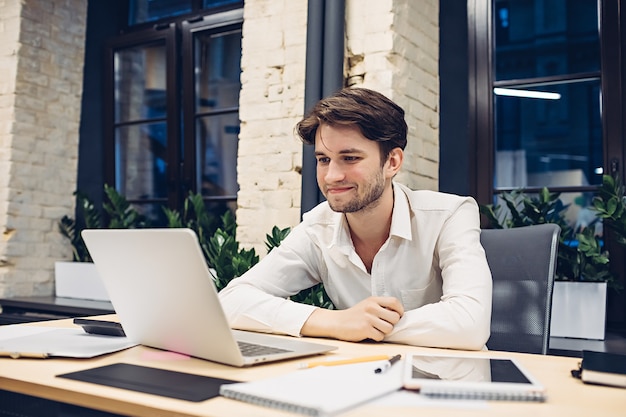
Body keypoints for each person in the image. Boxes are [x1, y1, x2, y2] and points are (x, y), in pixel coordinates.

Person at [219, 87, 492, 350]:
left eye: (349, 158)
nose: (331, 176)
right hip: (360, 378)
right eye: (324, 160)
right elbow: (230, 302)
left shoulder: (449, 216)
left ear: (392, 162)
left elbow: (470, 323)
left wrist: (367, 326)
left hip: (448, 382)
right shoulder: (318, 228)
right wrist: (337, 322)